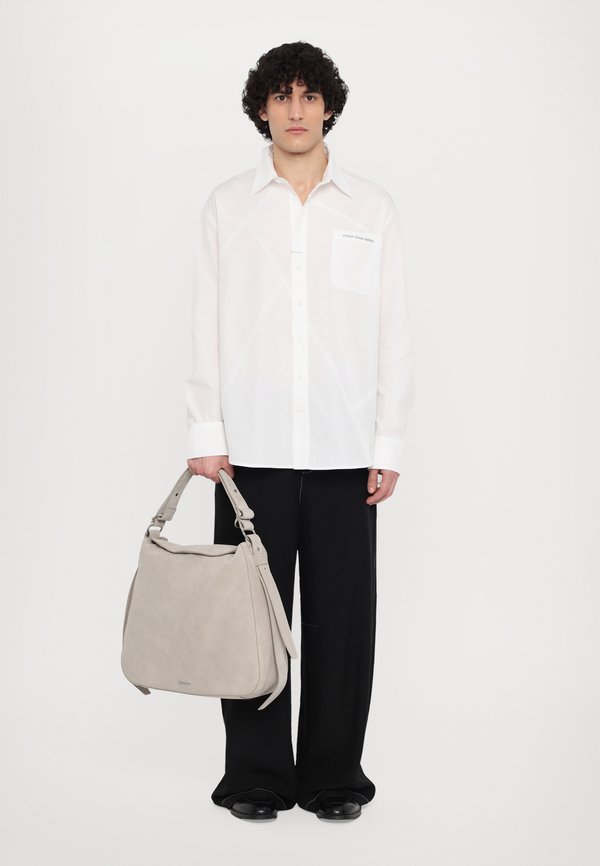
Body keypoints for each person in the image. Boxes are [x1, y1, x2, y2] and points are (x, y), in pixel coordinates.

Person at [185, 41, 414, 821]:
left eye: (308, 95)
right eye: (280, 95)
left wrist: (387, 443)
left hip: (345, 448)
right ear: (260, 107)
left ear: (328, 107)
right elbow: (205, 322)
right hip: (248, 450)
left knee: (342, 620)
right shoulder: (227, 206)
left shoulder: (371, 208)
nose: (295, 109)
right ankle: (255, 776)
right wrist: (206, 430)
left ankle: (334, 776)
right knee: (249, 620)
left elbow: (392, 332)